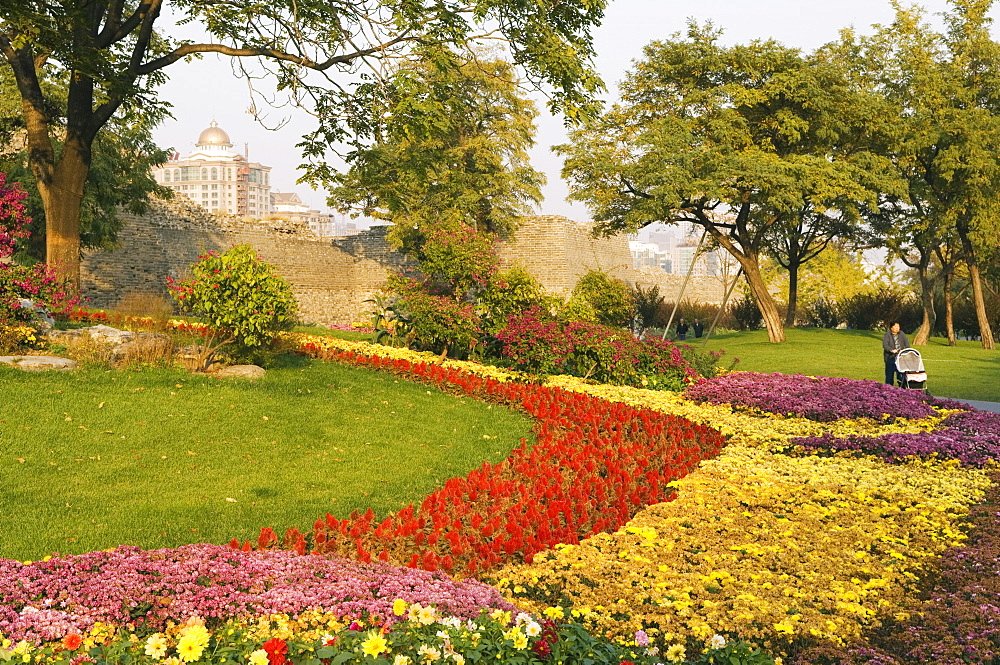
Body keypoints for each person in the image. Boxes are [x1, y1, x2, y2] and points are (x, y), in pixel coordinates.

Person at [882, 321, 909, 386]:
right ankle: (888, 389)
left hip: (900, 357)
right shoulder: (887, 335)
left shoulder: (901, 334)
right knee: (889, 375)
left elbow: (906, 343)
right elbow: (885, 345)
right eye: (895, 327)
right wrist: (891, 350)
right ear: (891, 328)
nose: (897, 328)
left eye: (898, 327)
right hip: (890, 357)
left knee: (901, 375)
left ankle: (902, 388)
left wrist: (907, 350)